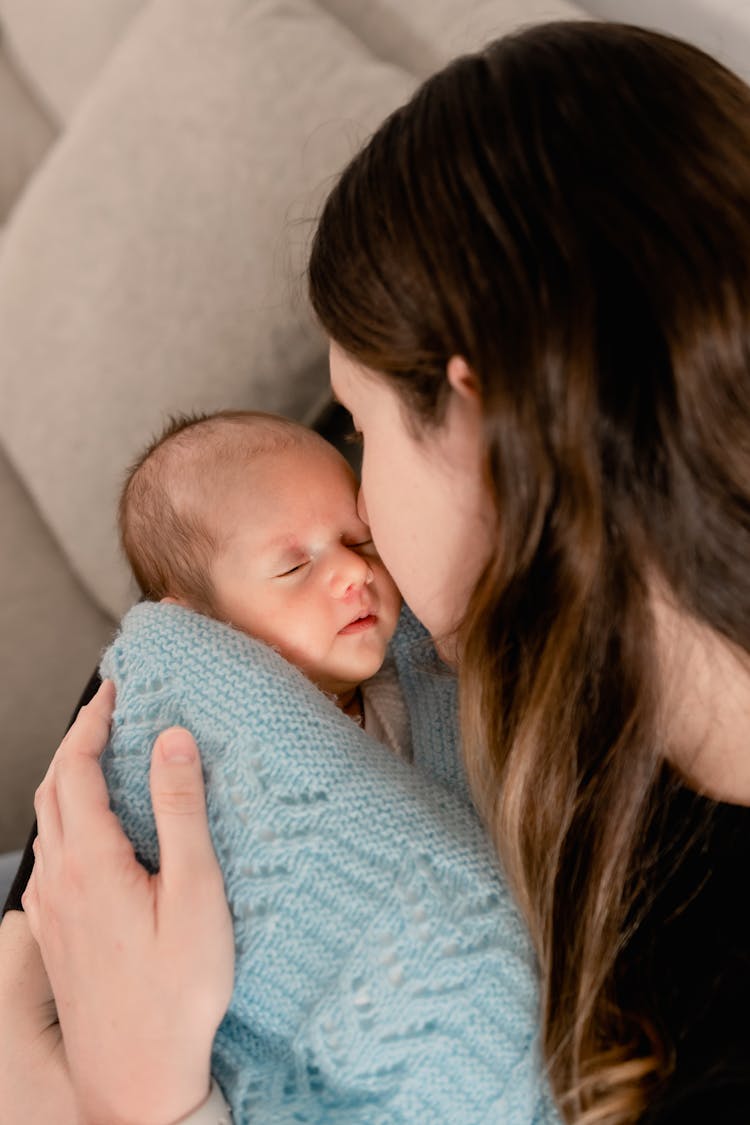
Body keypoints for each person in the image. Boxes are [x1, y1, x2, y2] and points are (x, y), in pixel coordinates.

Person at [1, 17, 750, 1124]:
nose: (346, 480)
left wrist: (138, 1106)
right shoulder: (404, 586)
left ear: (484, 429)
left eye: (359, 425)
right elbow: (149, 699)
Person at [116, 408, 406, 744]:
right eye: (293, 567)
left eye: (360, 540)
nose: (357, 569)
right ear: (201, 627)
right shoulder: (221, 747)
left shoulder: (418, 680)